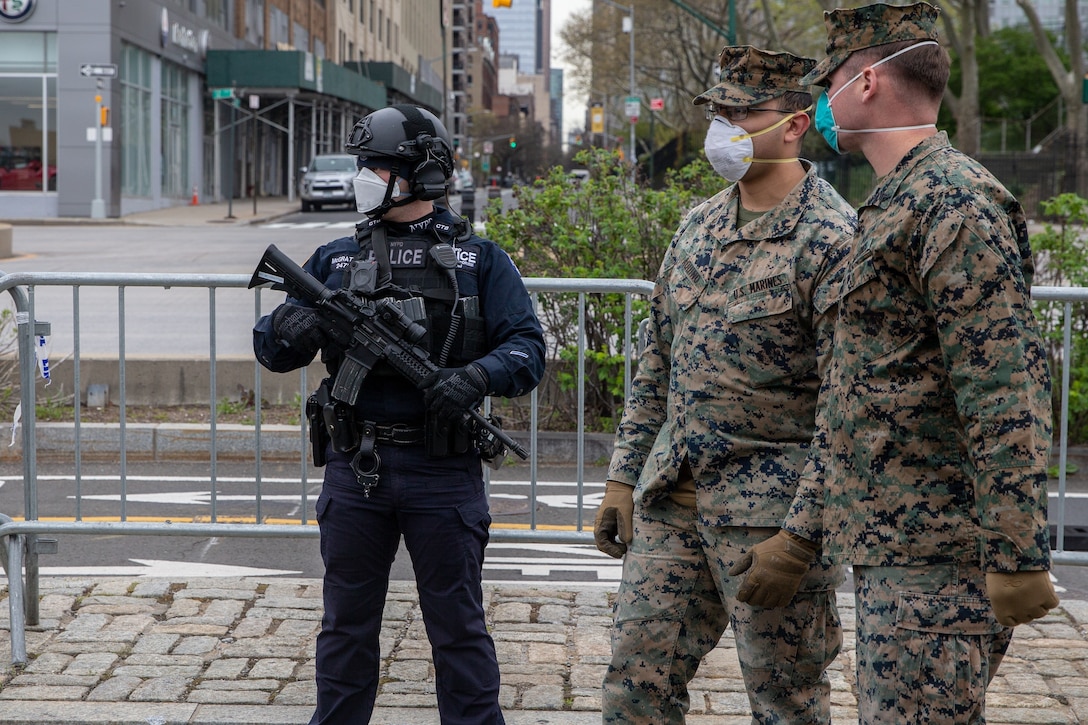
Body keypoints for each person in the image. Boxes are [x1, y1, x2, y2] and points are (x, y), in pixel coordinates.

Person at [787, 3, 1060, 723]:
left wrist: (1015, 551)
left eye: (828, 82)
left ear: (868, 81)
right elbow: (864, 389)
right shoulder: (895, 199)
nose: (819, 102)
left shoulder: (953, 203)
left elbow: (1004, 388)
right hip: (895, 549)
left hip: (938, 563)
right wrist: (801, 530)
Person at [253, 104, 545, 725]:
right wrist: (293, 321)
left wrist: (474, 377)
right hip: (356, 470)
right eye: (364, 166)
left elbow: (528, 349)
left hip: (443, 472)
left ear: (424, 175)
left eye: (379, 167)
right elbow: (271, 351)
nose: (365, 177)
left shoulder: (480, 260)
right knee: (345, 628)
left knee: (458, 630)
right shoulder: (335, 258)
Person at [595, 46, 857, 724]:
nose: (726, 127)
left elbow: (847, 408)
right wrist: (624, 477)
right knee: (633, 687)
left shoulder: (831, 238)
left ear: (796, 123)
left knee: (786, 702)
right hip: (673, 501)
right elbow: (658, 358)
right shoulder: (698, 225)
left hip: (769, 520)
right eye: (720, 112)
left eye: (744, 113)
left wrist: (801, 534)